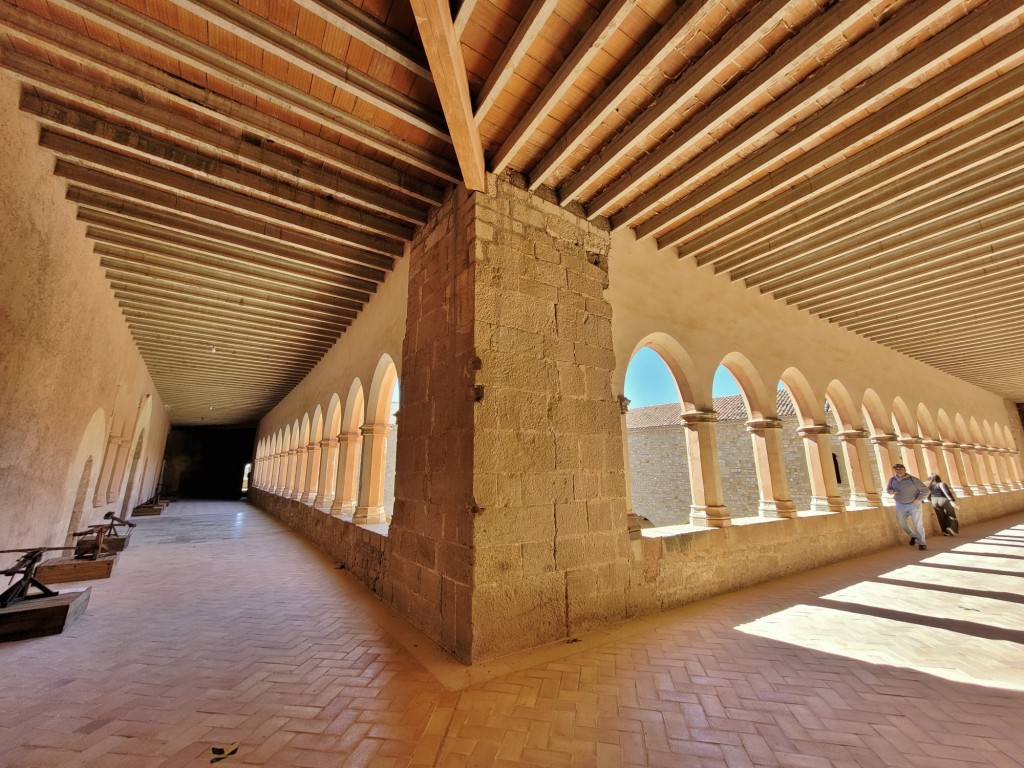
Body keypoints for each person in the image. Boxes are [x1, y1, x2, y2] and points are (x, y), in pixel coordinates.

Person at [886, 463, 930, 550]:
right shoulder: (892, 479)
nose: (898, 471)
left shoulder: (913, 480)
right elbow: (888, 490)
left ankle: (922, 543)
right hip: (900, 504)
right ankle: (913, 535)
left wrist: (918, 499)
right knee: (901, 521)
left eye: (900, 469)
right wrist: (892, 492)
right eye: (896, 469)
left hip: (913, 504)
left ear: (905, 470)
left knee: (918, 524)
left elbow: (926, 490)